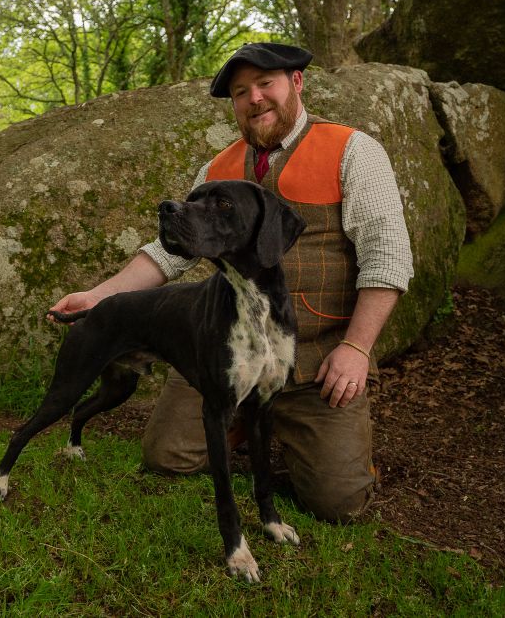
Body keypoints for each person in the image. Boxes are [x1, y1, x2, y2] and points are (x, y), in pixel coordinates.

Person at [49, 42, 413, 522]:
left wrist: (356, 348)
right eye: (241, 92)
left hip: (316, 361)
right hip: (227, 351)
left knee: (339, 503)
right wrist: (99, 296)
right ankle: (242, 420)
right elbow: (169, 253)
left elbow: (388, 256)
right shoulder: (216, 169)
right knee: (166, 457)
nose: (254, 98)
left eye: (265, 84)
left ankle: (302, 434)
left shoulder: (353, 151)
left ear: (296, 83)